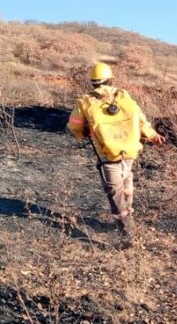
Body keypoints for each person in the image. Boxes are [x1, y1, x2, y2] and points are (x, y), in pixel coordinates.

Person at [67, 62, 166, 238]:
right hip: (129, 151)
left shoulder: (85, 101)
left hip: (108, 154)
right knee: (126, 181)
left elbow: (74, 126)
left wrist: (82, 133)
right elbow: (140, 120)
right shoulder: (124, 96)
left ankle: (128, 233)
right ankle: (129, 217)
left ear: (93, 83)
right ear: (111, 80)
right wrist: (152, 135)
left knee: (115, 193)